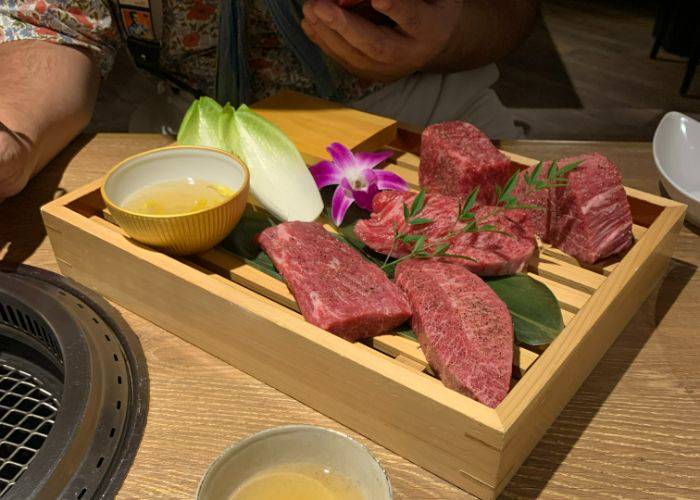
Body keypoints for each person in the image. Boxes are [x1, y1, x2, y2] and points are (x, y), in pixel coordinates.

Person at [0, 0, 538, 200]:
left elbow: (514, 14)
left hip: (415, 111)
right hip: (198, 130)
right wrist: (13, 135)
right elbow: (53, 25)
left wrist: (444, 33)